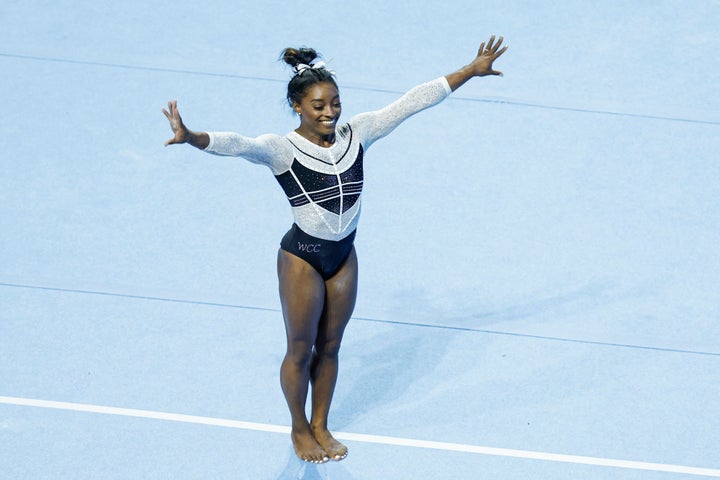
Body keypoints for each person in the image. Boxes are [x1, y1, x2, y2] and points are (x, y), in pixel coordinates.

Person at [162, 35, 507, 464]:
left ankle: (321, 422)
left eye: (335, 102)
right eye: (318, 106)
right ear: (298, 108)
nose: (329, 112)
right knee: (300, 346)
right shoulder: (282, 150)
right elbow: (238, 144)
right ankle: (298, 427)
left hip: (343, 255)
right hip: (302, 257)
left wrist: (468, 71)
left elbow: (410, 102)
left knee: (331, 345)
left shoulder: (357, 133)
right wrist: (191, 135)